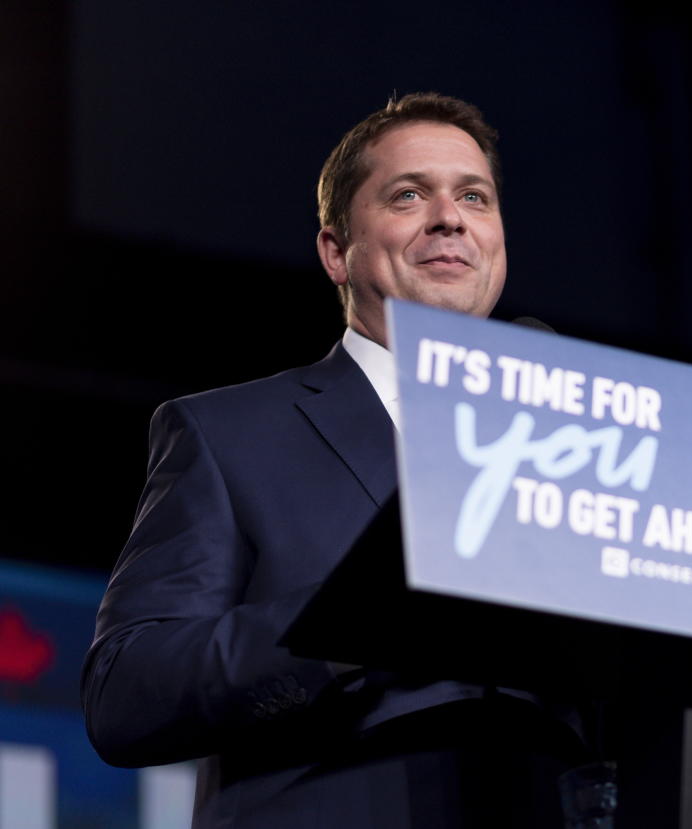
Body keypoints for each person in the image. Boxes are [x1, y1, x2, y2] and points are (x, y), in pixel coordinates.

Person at [82, 93, 588, 828]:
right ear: (335, 251)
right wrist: (349, 623)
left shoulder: (580, 449)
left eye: (473, 196)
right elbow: (124, 693)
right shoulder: (229, 433)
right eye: (409, 194)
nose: (449, 216)